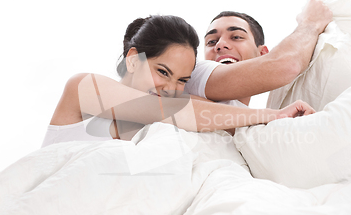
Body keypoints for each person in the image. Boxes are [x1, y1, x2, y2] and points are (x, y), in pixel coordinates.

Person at [41, 15, 315, 147]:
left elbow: (185, 111)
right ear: (133, 59)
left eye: (182, 79)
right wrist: (271, 115)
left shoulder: (169, 119)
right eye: (162, 71)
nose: (171, 89)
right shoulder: (84, 87)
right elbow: (173, 110)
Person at [185, 0, 333, 106]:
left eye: (236, 37)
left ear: (262, 54)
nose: (220, 45)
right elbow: (287, 65)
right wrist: (310, 23)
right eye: (211, 41)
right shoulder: (192, 75)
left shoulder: (248, 128)